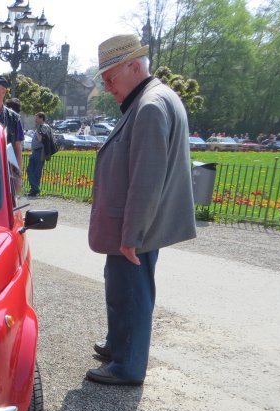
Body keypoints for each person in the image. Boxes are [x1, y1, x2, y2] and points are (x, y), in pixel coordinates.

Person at [86, 34, 196, 386]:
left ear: (134, 66)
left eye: (110, 78)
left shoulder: (149, 106)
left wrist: (132, 235)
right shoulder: (154, 98)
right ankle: (120, 346)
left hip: (133, 228)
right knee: (122, 287)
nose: (107, 87)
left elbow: (146, 180)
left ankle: (127, 365)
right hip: (133, 225)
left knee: (131, 292)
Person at [26, 112, 50, 197]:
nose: (35, 119)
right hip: (35, 152)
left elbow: (40, 139)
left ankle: (35, 189)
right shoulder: (39, 127)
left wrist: (38, 130)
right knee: (30, 170)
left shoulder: (44, 127)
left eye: (37, 118)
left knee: (36, 171)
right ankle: (35, 188)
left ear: (41, 118)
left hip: (40, 152)